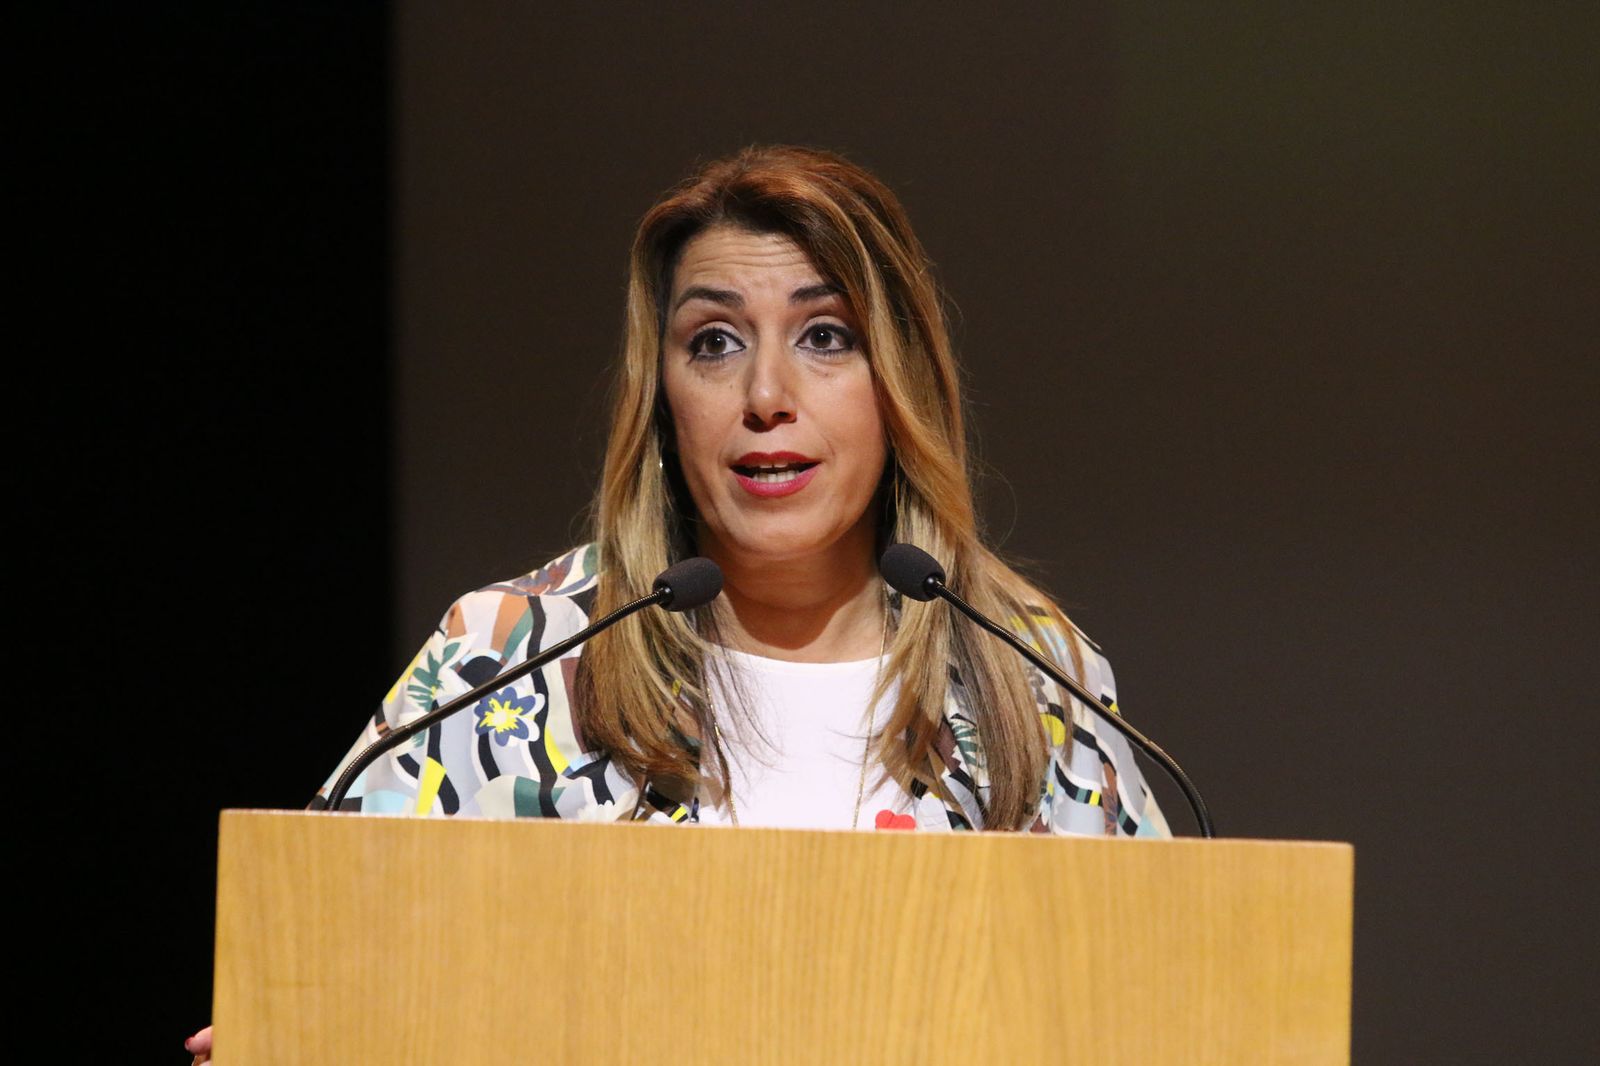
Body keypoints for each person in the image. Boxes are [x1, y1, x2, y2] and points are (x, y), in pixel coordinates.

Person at [184, 144, 1169, 1060]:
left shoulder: (1031, 674)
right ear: (662, 394)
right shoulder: (511, 656)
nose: (765, 393)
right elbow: (318, 961)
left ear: (899, 378)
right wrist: (293, 1012)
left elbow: (1167, 1003)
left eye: (825, 335)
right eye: (713, 342)